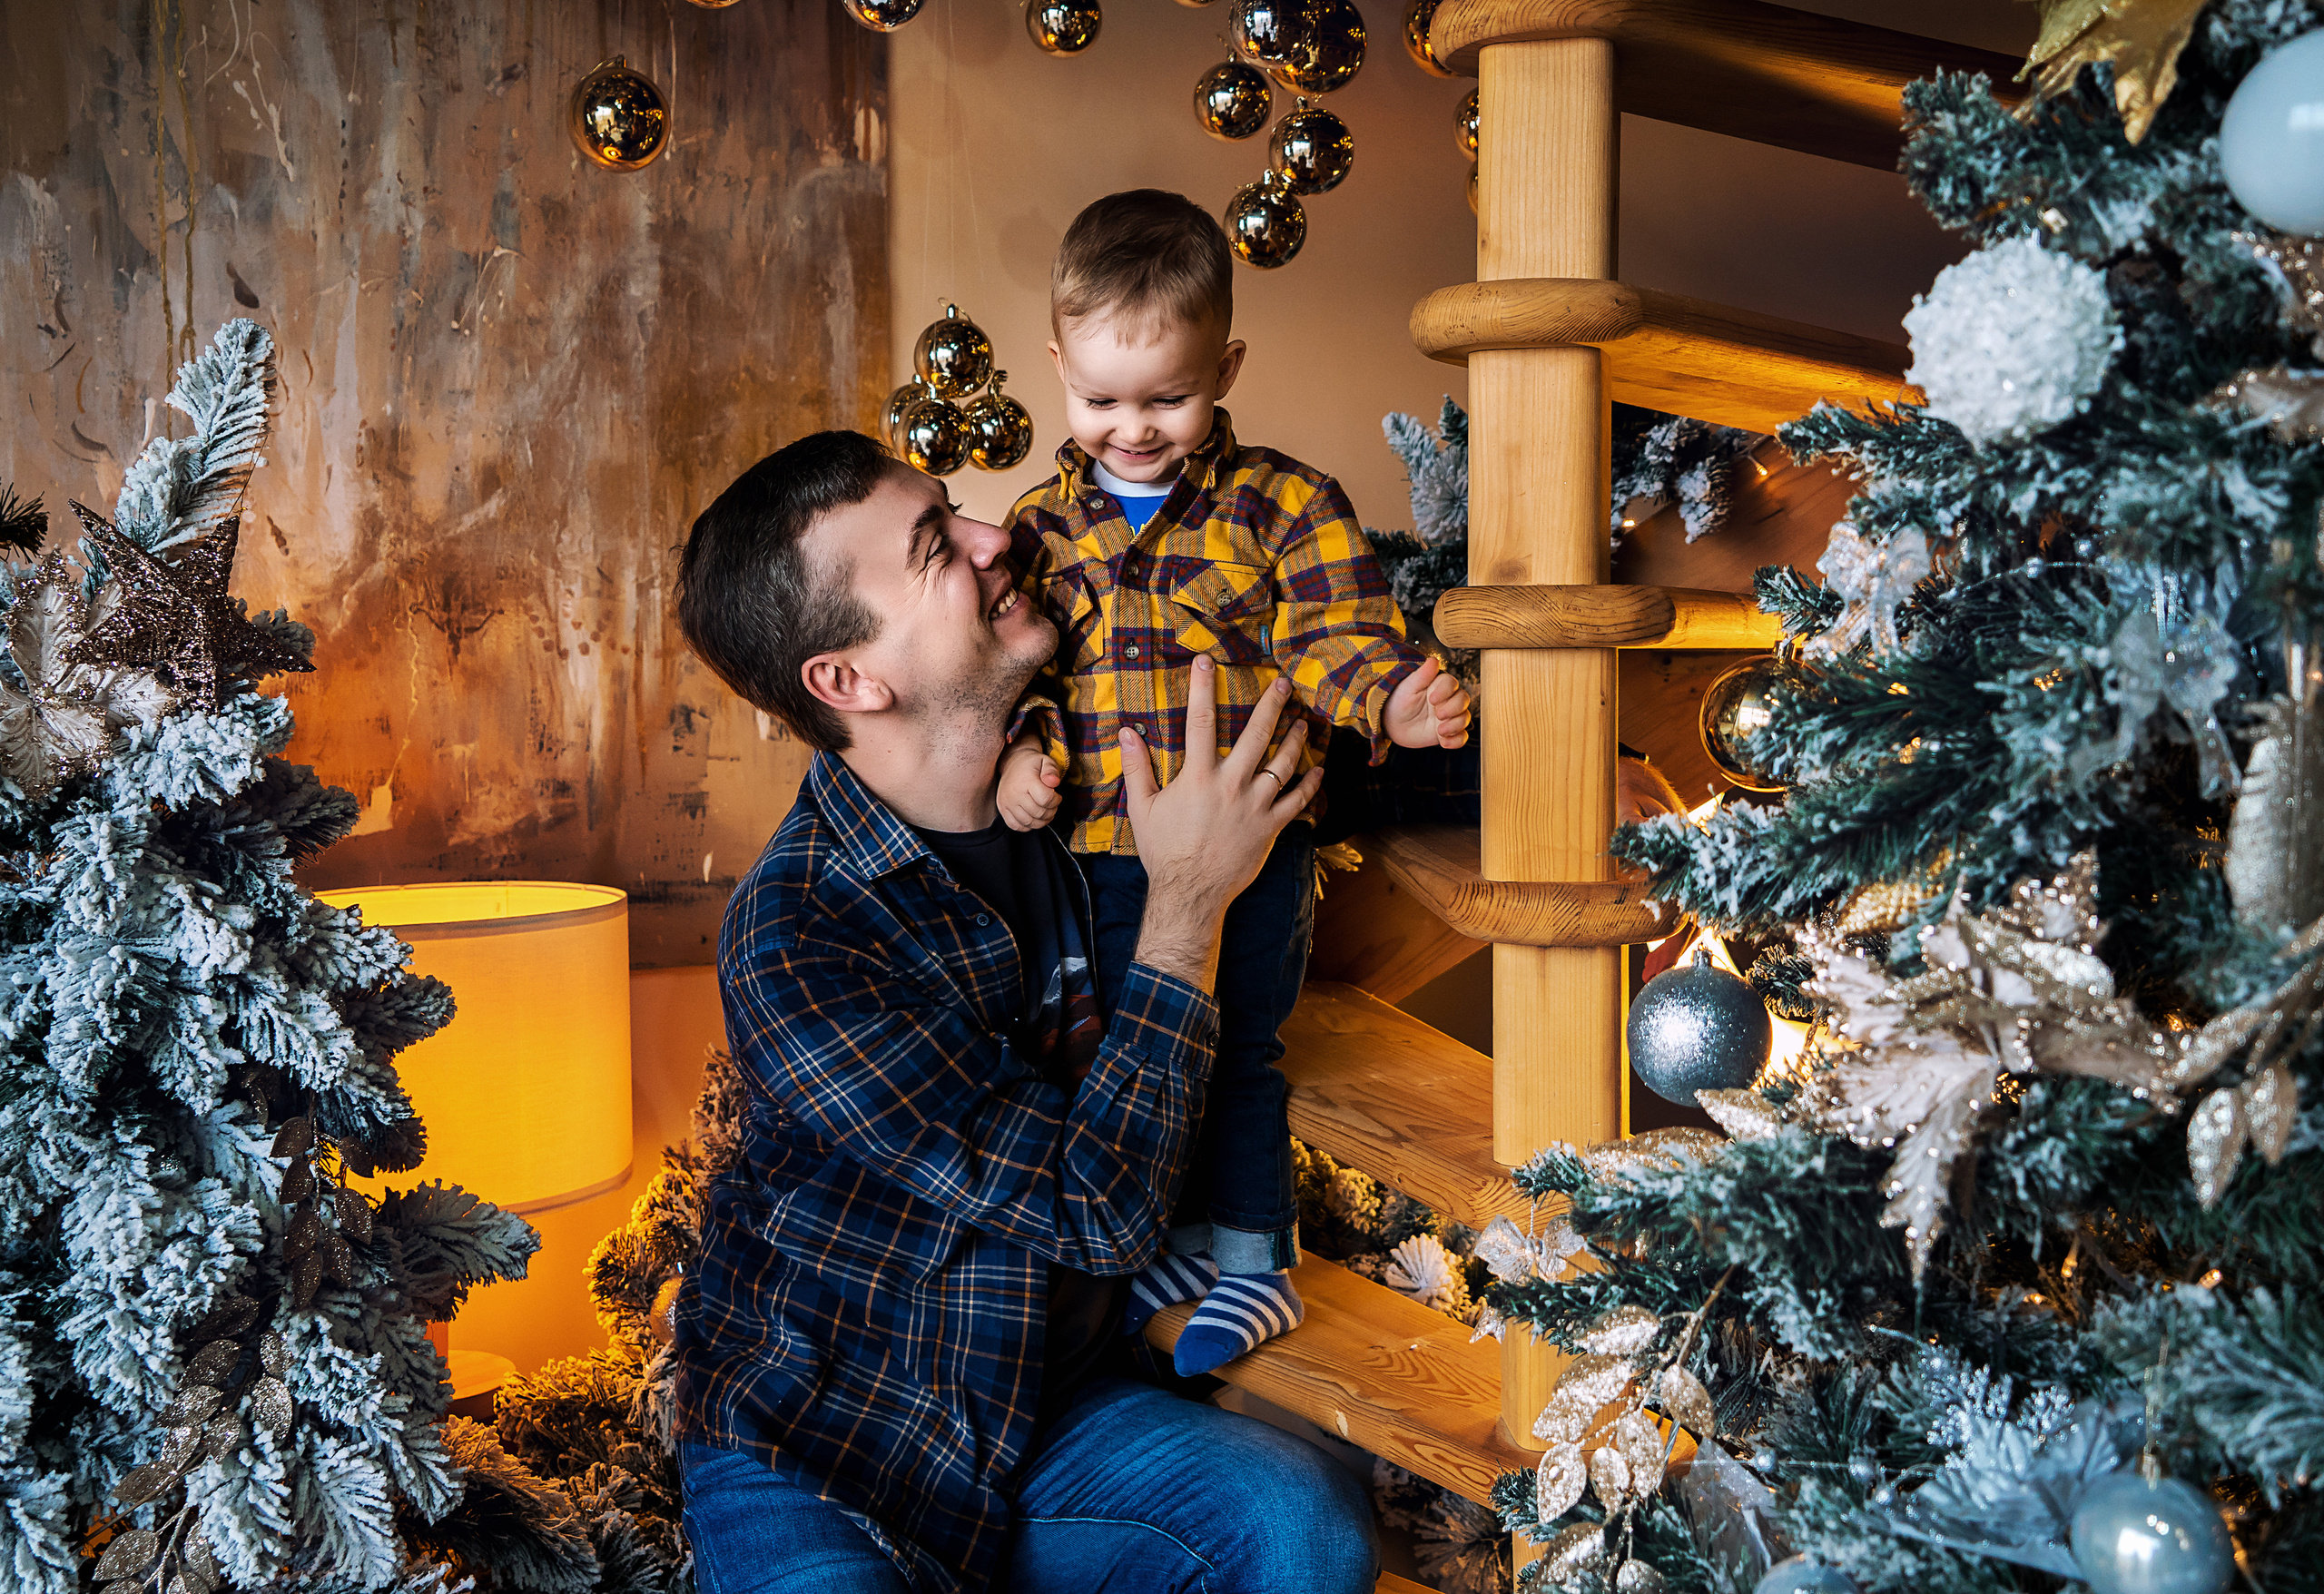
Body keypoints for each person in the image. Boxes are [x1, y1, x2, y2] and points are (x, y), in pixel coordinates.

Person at [669, 429, 1381, 1594]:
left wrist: (1549, 768)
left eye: (957, 508)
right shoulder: (800, 936)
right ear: (849, 679)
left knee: (1302, 1529)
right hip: (828, 1448)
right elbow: (1096, 1211)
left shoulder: (1083, 767)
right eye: (936, 547)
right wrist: (1187, 905)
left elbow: (1309, 718)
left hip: (1050, 1412)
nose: (1001, 537)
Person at [993, 189, 1471, 1375]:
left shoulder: (1285, 505)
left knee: (1238, 1043)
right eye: (1101, 400)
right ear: (1057, 367)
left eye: (1168, 398)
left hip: (1252, 845)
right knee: (1129, 1046)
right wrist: (1028, 757)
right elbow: (1030, 671)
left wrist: (1392, 700)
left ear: (1227, 365)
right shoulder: (1041, 529)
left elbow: (1335, 639)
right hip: (1104, 848)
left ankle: (1257, 1262)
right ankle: (1179, 1235)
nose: (1134, 429)